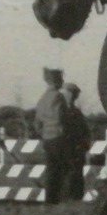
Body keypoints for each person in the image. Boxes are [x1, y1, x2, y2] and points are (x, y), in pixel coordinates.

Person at [34, 67, 70, 204]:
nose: (62, 81)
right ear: (56, 81)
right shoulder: (58, 96)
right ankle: (59, 199)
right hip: (58, 136)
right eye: (61, 79)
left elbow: (37, 122)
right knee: (61, 169)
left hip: (47, 138)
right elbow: (63, 117)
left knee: (51, 169)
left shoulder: (42, 98)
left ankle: (50, 199)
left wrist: (43, 133)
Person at [60, 82, 92, 202]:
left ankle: (76, 197)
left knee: (77, 173)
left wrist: (85, 145)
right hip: (63, 147)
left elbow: (85, 131)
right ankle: (63, 196)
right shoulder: (58, 110)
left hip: (77, 149)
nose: (73, 97)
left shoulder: (77, 113)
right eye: (72, 94)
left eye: (75, 95)